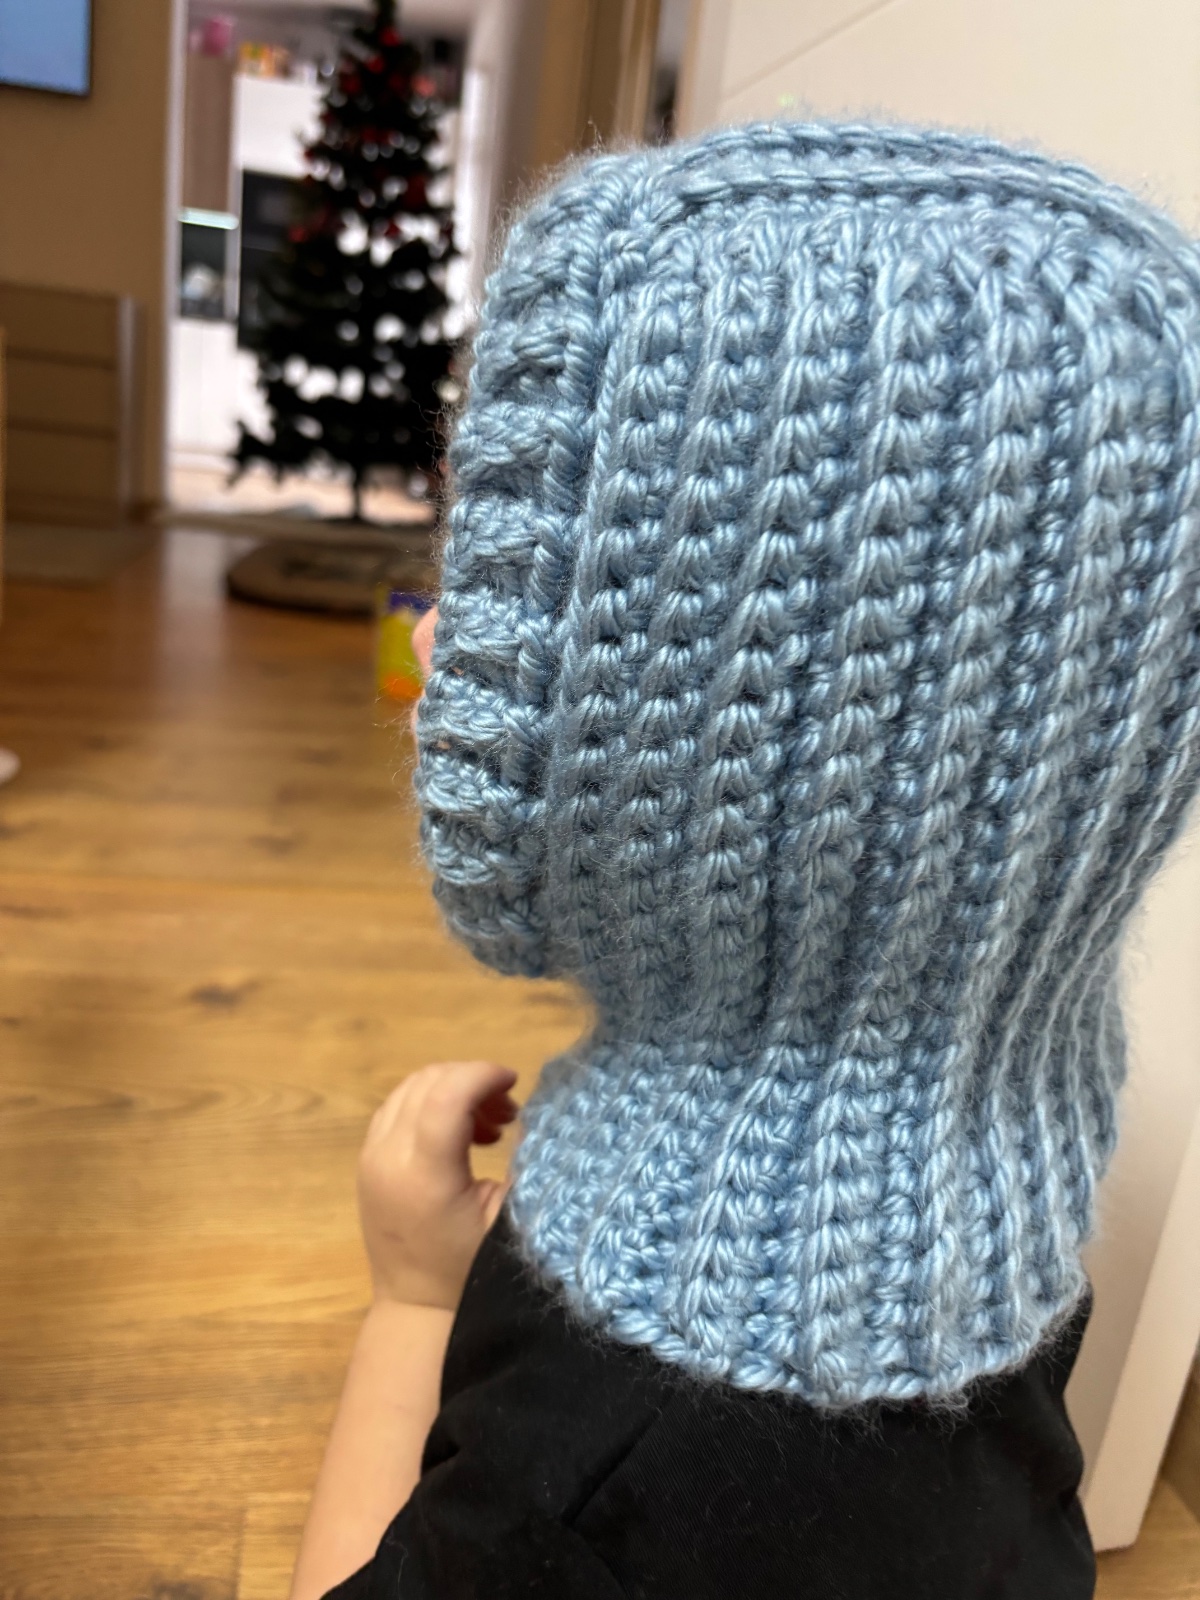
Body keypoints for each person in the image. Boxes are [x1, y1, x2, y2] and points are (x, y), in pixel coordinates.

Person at [291, 120, 1200, 1599]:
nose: (442, 643)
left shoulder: (606, 1464)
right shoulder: (984, 1229)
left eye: (513, 589)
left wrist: (410, 1303)